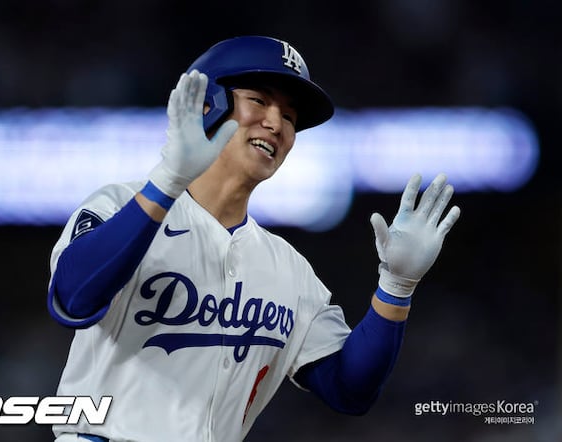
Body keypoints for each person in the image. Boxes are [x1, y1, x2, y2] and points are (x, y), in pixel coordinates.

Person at [47, 36, 460, 442]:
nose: (276, 125)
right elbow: (74, 298)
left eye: (290, 117)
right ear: (207, 103)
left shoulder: (288, 269)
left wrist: (396, 287)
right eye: (259, 101)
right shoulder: (120, 205)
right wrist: (167, 181)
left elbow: (349, 389)